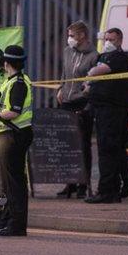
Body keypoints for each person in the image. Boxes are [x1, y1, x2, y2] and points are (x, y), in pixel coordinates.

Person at [85, 28, 128, 204]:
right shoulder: (105, 56)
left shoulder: (121, 57)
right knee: (115, 149)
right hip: (106, 109)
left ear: (120, 40)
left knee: (107, 150)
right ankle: (122, 182)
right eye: (106, 38)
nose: (108, 42)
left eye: (112, 39)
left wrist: (91, 75)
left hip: (112, 111)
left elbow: (95, 72)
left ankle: (106, 191)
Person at [0, 45, 33, 237]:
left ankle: (17, 225)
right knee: (9, 182)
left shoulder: (19, 83)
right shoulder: (11, 81)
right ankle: (7, 220)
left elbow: (14, 111)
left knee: (14, 183)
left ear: (7, 63)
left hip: (14, 135)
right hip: (9, 134)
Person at [55, 20, 99, 199]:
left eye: (72, 35)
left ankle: (83, 182)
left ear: (82, 36)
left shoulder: (94, 55)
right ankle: (69, 182)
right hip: (66, 100)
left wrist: (87, 102)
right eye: (68, 35)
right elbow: (65, 74)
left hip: (81, 103)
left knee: (82, 144)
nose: (69, 39)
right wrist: (60, 88)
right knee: (67, 145)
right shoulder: (67, 52)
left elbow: (93, 81)